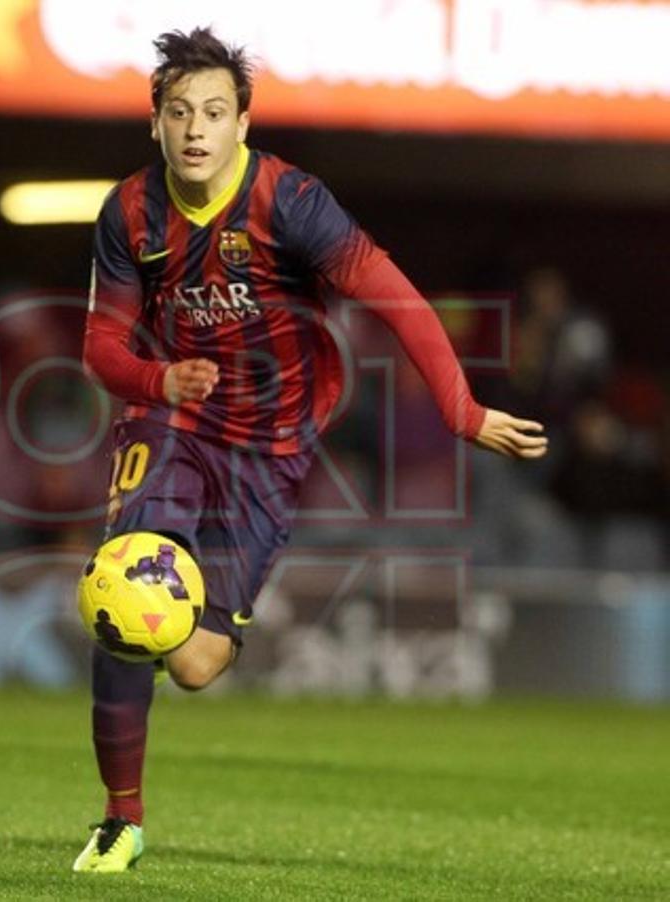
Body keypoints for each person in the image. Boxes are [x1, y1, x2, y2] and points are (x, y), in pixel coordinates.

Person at [74, 27, 548, 873]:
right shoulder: (130, 212)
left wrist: (461, 409)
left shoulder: (290, 201)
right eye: (178, 112)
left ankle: (185, 655)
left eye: (214, 113)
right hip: (174, 421)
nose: (195, 129)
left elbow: (398, 300)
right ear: (154, 123)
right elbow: (102, 345)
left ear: (242, 122)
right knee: (124, 585)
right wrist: (157, 383)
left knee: (193, 663)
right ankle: (120, 818)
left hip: (272, 442)